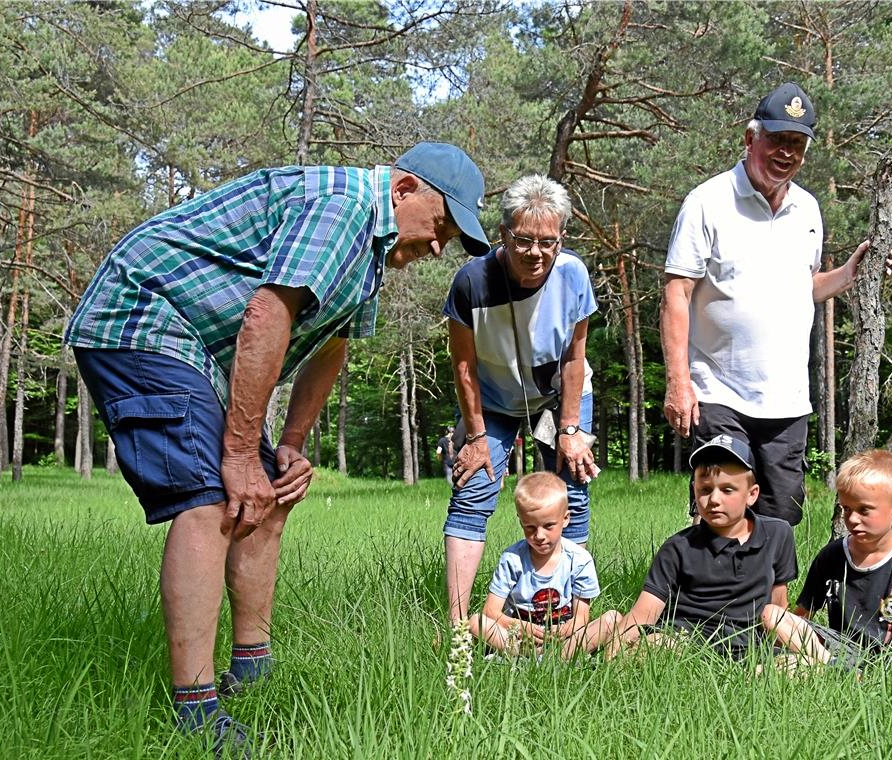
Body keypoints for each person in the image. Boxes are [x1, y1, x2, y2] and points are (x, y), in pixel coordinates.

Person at [64, 142, 490, 751]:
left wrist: (287, 444)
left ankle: (251, 670)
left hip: (201, 352)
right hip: (141, 316)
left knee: (273, 490)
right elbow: (267, 314)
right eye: (440, 225)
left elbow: (330, 348)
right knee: (210, 498)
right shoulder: (343, 208)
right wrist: (237, 454)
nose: (437, 247)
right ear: (402, 190)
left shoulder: (368, 259)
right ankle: (195, 711)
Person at [661, 81, 883, 526]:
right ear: (750, 139)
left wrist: (847, 277)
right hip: (718, 390)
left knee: (781, 516)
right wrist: (678, 382)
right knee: (721, 511)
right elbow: (676, 294)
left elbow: (803, 288)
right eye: (777, 140)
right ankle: (710, 598)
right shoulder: (707, 203)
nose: (786, 153)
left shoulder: (807, 209)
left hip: (787, 399)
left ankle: (772, 600)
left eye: (797, 144)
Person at [442, 174, 599, 622]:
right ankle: (458, 624)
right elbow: (464, 366)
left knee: (572, 487)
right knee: (472, 487)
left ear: (561, 238)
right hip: (491, 398)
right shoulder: (471, 282)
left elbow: (574, 357)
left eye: (548, 242)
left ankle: (569, 617)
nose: (536, 253)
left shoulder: (573, 274)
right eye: (524, 240)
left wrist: (570, 430)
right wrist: (474, 435)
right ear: (503, 234)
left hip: (558, 395)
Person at [607, 435, 797, 661]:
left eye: (727, 490)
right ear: (694, 491)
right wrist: (611, 657)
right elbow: (644, 613)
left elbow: (778, 604)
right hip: (683, 638)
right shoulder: (678, 547)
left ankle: (836, 667)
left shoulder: (778, 534)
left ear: (752, 494)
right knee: (653, 647)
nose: (714, 499)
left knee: (792, 666)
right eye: (705, 490)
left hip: (747, 645)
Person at [762, 450, 892, 674]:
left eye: (864, 510)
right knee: (771, 615)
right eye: (846, 509)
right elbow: (803, 616)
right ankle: (838, 670)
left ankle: (833, 671)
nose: (852, 519)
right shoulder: (831, 556)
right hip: (840, 648)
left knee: (789, 668)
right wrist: (786, 645)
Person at [468, 472, 619, 658]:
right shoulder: (512, 559)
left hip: (563, 639)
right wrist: (521, 627)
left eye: (548, 526)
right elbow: (490, 611)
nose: (539, 536)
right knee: (476, 622)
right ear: (520, 521)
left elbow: (581, 617)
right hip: (519, 638)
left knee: (613, 619)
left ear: (565, 519)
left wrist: (563, 631)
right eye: (530, 527)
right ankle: (525, 654)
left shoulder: (579, 560)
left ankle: (556, 657)